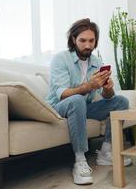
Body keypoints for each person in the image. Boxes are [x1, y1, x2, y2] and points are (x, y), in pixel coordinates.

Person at [46, 18, 131, 185]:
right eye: (82, 40)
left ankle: (106, 153)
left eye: (91, 41)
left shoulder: (96, 63)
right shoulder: (61, 59)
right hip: (59, 106)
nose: (87, 45)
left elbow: (107, 97)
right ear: (73, 40)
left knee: (121, 101)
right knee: (77, 99)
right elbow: (62, 94)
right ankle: (80, 160)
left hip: (83, 107)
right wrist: (88, 86)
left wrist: (108, 89)